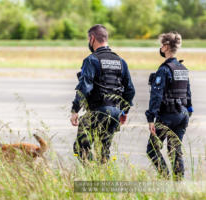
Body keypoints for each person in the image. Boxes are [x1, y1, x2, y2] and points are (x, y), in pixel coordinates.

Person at [70, 24, 135, 164]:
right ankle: (102, 176)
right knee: (103, 151)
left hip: (98, 111)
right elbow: (130, 90)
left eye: (88, 39)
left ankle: (93, 174)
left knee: (80, 148)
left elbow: (85, 87)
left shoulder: (91, 60)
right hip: (115, 113)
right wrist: (123, 111)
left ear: (92, 38)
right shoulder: (121, 61)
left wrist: (75, 109)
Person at [145, 32, 193, 181]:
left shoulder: (164, 70)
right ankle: (179, 183)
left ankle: (165, 178)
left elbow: (156, 96)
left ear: (166, 47)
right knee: (175, 150)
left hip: (168, 116)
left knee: (152, 149)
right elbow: (188, 95)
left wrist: (151, 118)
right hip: (182, 115)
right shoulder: (183, 69)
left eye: (161, 45)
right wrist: (187, 113)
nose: (160, 48)